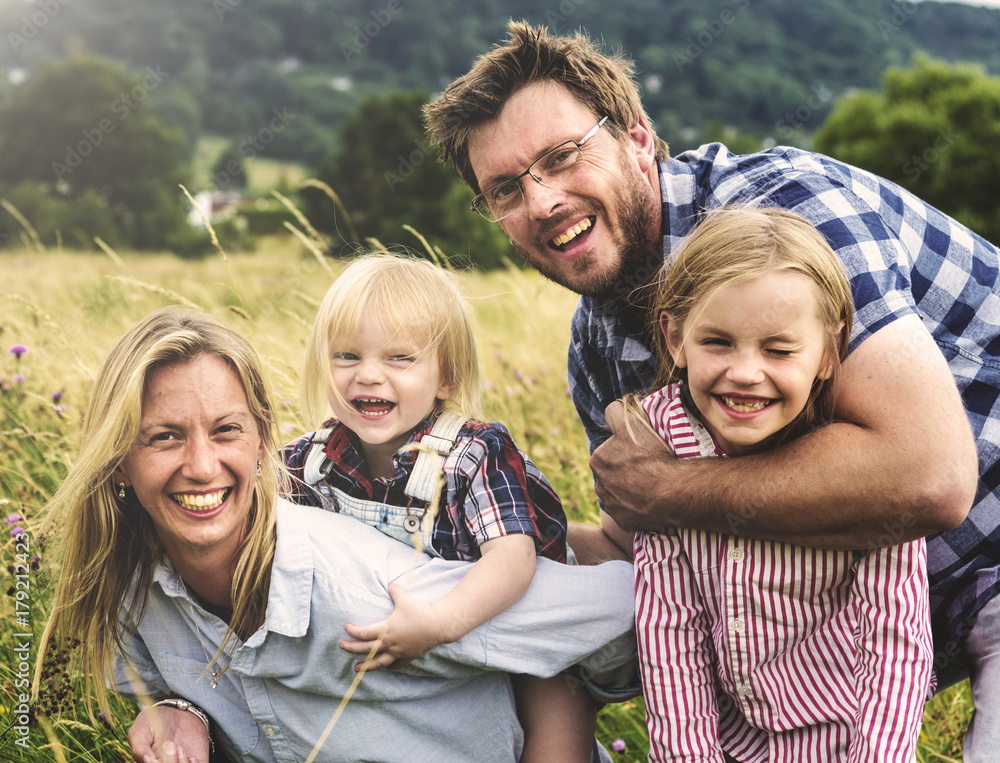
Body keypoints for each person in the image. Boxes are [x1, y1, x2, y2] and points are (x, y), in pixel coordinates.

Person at [424, 20, 999, 760]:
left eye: (562, 157)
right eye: (505, 189)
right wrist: (483, 541)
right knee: (523, 643)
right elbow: (649, 546)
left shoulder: (784, 220)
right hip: (850, 630)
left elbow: (933, 477)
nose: (541, 202)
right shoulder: (597, 351)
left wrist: (666, 489)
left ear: (636, 139)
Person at [33, 306, 637, 763]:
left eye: (225, 431)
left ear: (263, 441)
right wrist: (177, 708)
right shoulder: (129, 592)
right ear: (117, 462)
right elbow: (166, 681)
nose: (200, 465)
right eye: (164, 436)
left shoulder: (377, 590)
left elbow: (625, 611)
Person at [628, 205, 932, 761]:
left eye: (779, 350)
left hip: (849, 739)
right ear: (674, 339)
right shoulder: (664, 439)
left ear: (828, 351)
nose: (746, 372)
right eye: (717, 342)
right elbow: (670, 625)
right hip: (730, 739)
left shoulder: (860, 460)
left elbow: (896, 638)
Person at [282, 252, 599, 761]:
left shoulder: (473, 453)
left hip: (514, 611)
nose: (367, 375)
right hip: (404, 640)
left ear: (446, 378)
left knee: (555, 695)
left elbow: (512, 560)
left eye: (399, 358)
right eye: (346, 356)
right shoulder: (309, 460)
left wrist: (441, 623)